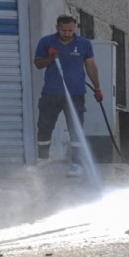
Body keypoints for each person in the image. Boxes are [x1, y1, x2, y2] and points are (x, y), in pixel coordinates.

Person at [33, 14, 102, 177]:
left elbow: (91, 66)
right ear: (57, 27)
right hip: (51, 93)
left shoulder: (84, 44)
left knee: (76, 129)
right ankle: (43, 159)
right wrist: (50, 57)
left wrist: (97, 88)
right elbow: (37, 64)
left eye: (70, 30)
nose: (67, 33)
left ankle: (77, 164)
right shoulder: (46, 42)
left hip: (75, 94)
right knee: (44, 127)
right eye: (63, 30)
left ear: (74, 28)